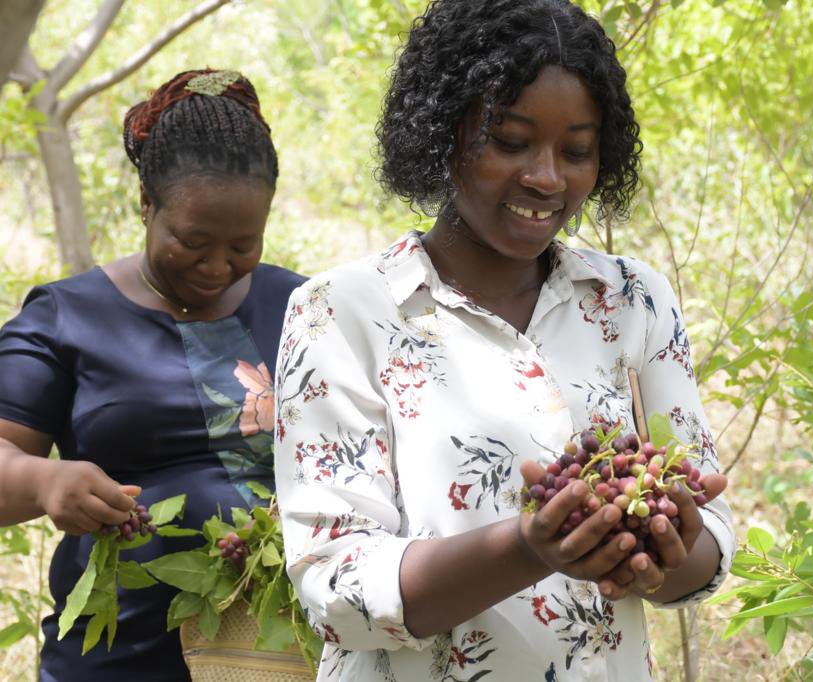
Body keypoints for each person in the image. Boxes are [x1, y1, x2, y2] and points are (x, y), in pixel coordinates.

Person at [274, 1, 735, 679]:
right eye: (511, 141)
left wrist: (664, 543)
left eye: (576, 151)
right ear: (442, 131)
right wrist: (531, 547)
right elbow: (334, 587)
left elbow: (705, 554)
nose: (547, 177)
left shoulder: (633, 301)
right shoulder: (342, 313)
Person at [0, 69, 305, 681]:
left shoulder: (301, 308)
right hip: (119, 658)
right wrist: (43, 480)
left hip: (278, 657)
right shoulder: (67, 318)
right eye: (193, 240)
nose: (218, 265)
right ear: (146, 204)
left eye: (244, 244)